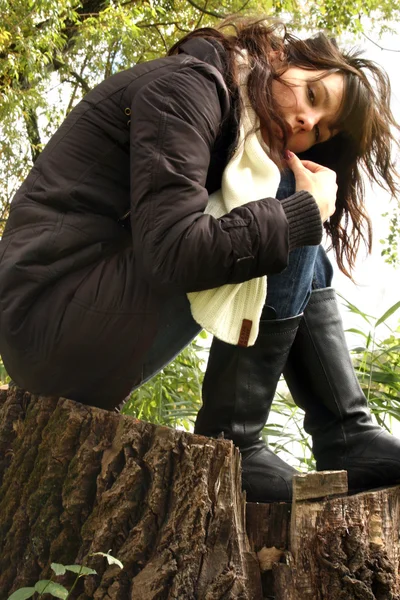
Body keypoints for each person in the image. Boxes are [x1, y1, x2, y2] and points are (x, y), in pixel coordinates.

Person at [0, 17, 399, 503]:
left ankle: (346, 434)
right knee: (292, 203)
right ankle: (236, 440)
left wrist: (300, 215)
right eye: (313, 97)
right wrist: (299, 211)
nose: (306, 124)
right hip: (51, 320)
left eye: (320, 132)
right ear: (284, 58)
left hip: (80, 326)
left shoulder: (239, 130)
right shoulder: (188, 87)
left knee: (294, 215)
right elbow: (171, 251)